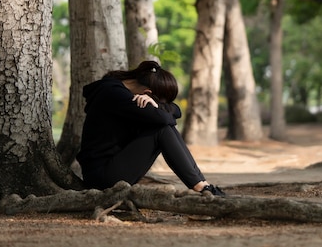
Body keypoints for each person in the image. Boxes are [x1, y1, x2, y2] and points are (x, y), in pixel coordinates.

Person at [76, 60, 225, 196]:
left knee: (164, 127)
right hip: (102, 176)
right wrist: (160, 109)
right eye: (159, 101)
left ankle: (203, 184)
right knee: (161, 129)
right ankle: (201, 187)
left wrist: (159, 105)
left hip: (111, 167)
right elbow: (163, 118)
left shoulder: (122, 90)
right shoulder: (115, 94)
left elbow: (176, 110)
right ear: (147, 93)